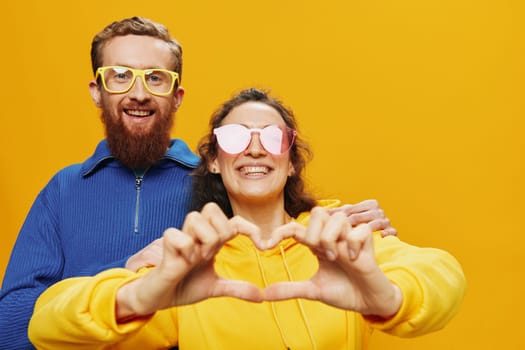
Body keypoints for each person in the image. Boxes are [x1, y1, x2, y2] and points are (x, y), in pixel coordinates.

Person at [0, 18, 396, 349]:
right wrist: (131, 273)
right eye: (120, 76)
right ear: (97, 92)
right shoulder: (63, 191)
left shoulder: (224, 185)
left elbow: (273, 263)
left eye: (156, 78)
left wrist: (349, 225)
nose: (138, 93)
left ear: (177, 96)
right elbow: (8, 329)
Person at [28, 88, 466, 349]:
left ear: (291, 161)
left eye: (272, 137)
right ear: (216, 161)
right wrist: (135, 295)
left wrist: (386, 296)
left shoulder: (338, 231)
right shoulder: (191, 259)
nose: (254, 149)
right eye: (235, 137)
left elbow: (442, 276)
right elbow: (46, 324)